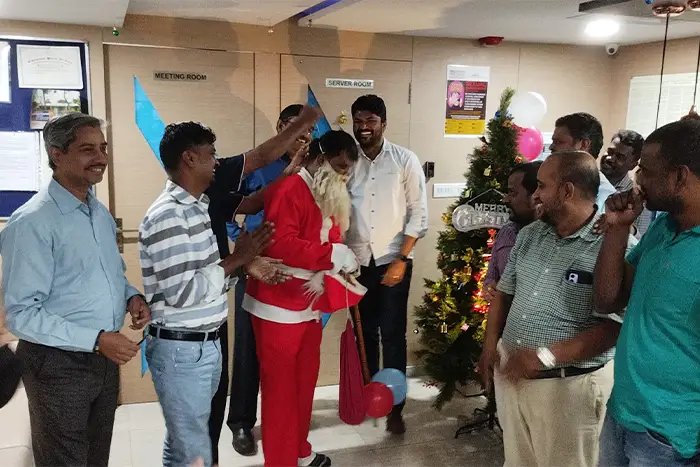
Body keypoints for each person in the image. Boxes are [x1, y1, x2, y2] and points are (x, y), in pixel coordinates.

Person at [0, 113, 150, 467]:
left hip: (103, 361)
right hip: (57, 365)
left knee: (96, 455)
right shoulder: (32, 222)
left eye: (103, 148)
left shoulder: (97, 212)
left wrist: (131, 296)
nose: (101, 158)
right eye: (87, 149)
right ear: (57, 154)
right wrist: (96, 339)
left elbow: (110, 273)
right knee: (64, 461)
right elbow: (21, 315)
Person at [478, 151, 635, 467]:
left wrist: (543, 357)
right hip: (513, 378)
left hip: (567, 388)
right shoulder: (530, 234)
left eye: (541, 186)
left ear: (567, 191)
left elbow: (615, 327)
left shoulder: (615, 245)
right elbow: (504, 294)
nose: (535, 195)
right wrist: (489, 348)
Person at [139, 122, 278, 467]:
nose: (217, 162)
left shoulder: (199, 207)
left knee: (189, 441)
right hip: (182, 350)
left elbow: (209, 278)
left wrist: (242, 268)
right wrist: (238, 259)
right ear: (189, 158)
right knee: (192, 447)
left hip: (204, 344)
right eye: (211, 154)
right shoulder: (168, 215)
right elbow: (183, 293)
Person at [243, 130, 363, 467]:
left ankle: (298, 449)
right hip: (277, 304)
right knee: (280, 391)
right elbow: (281, 244)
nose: (344, 177)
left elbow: (331, 234)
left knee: (304, 382)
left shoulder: (324, 191)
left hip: (308, 303)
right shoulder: (289, 188)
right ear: (321, 159)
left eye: (348, 171)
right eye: (340, 168)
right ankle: (280, 461)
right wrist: (331, 255)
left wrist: (342, 257)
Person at [207, 104, 319, 462]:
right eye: (293, 128)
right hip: (254, 267)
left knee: (287, 359)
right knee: (248, 349)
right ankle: (241, 422)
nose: (301, 135)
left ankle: (286, 429)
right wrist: (244, 254)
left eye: (306, 130)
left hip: (292, 272)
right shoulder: (257, 167)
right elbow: (229, 210)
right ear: (281, 127)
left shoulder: (313, 166)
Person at [594, 120, 700, 467]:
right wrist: (617, 227)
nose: (638, 179)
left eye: (647, 171)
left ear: (680, 176)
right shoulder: (663, 227)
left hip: (670, 436)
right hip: (623, 412)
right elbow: (608, 299)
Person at [345, 94, 428, 435]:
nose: (363, 127)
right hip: (356, 264)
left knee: (393, 336)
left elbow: (419, 214)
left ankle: (395, 406)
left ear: (383, 123)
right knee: (364, 335)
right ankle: (369, 397)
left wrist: (402, 259)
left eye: (370, 121)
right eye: (358, 121)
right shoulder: (346, 161)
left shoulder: (405, 160)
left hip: (394, 261)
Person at [483, 161, 542, 302]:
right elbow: (491, 276)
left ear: (536, 196)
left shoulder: (554, 238)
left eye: (513, 193)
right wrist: (489, 287)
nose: (505, 199)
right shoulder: (506, 233)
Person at [550, 112, 616, 211]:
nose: (551, 147)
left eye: (559, 142)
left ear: (584, 144)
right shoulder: (553, 181)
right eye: (553, 141)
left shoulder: (605, 197)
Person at [600, 130, 653, 238]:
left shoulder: (637, 199)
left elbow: (640, 241)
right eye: (609, 151)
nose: (610, 158)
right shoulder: (586, 180)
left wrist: (625, 225)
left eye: (619, 157)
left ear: (633, 165)